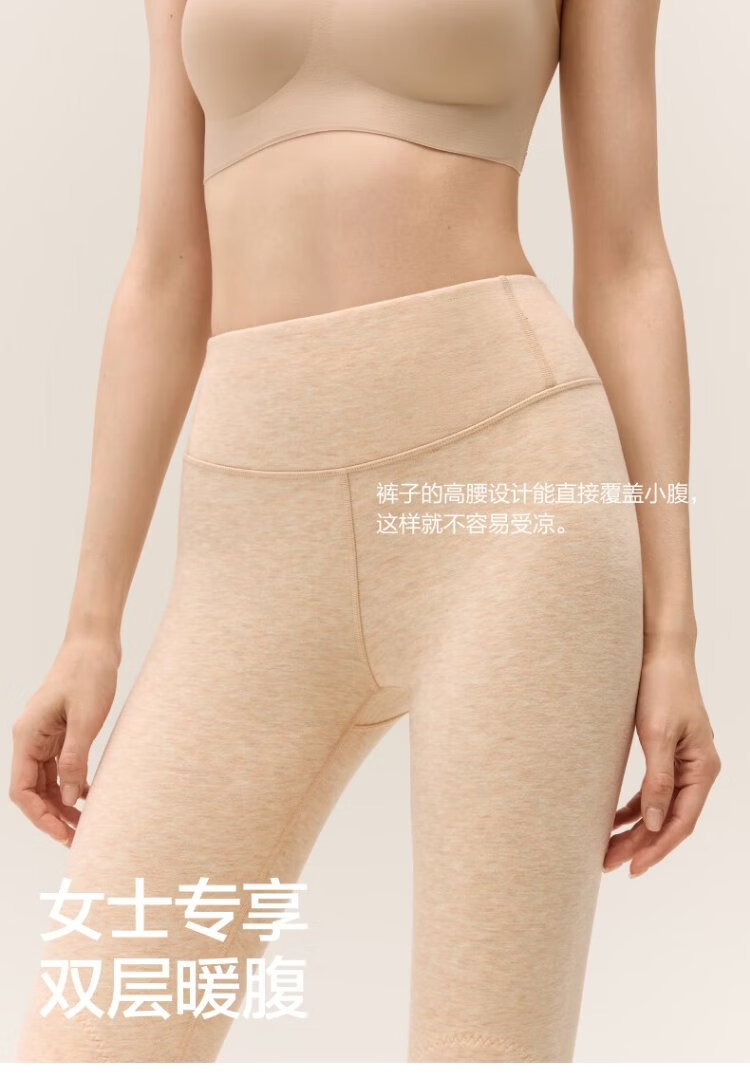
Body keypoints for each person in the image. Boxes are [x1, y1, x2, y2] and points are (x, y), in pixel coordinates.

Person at [11, 0, 721, 1064]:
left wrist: (672, 637)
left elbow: (626, 260)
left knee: (488, 1050)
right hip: (249, 537)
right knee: (90, 1040)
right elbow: (163, 269)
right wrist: (89, 627)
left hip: (508, 503)